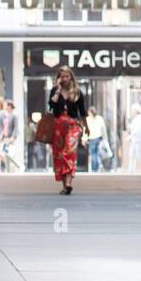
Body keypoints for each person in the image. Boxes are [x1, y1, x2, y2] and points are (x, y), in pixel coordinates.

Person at [48, 66, 86, 195]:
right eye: (62, 77)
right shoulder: (55, 90)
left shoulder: (77, 91)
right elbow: (51, 105)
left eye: (67, 76)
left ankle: (69, 183)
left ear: (71, 77)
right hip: (58, 127)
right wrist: (58, 89)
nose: (64, 79)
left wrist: (86, 127)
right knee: (59, 155)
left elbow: (82, 111)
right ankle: (65, 187)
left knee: (69, 153)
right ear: (58, 78)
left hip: (72, 126)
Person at [84, 107, 108, 174]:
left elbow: (85, 130)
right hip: (98, 138)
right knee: (96, 153)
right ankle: (97, 167)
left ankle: (95, 168)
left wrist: (84, 139)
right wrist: (105, 137)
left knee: (93, 153)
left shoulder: (88, 119)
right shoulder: (99, 118)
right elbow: (103, 129)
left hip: (92, 138)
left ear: (90, 112)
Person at [127, 105, 141, 172]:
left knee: (140, 156)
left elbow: (137, 130)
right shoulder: (136, 119)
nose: (132, 111)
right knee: (132, 156)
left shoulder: (139, 119)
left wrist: (130, 136)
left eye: (132, 110)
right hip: (134, 141)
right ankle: (131, 171)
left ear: (136, 111)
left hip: (139, 141)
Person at [1, 100, 19, 172]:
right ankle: (7, 168)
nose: (7, 107)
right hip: (4, 136)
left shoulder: (14, 116)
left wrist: (13, 137)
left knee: (11, 152)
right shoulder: (3, 115)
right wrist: (1, 133)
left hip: (11, 137)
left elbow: (16, 127)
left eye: (8, 106)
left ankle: (13, 167)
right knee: (4, 152)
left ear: (10, 107)